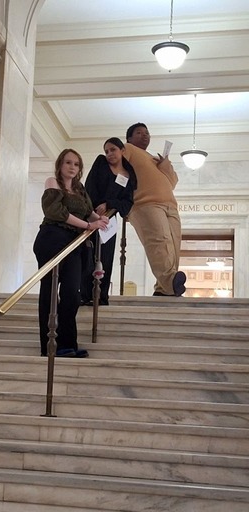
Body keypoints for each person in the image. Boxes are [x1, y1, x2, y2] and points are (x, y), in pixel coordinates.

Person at [33, 149, 108, 358]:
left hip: (74, 242)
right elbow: (55, 212)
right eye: (68, 162)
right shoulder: (52, 182)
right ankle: (48, 345)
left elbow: (89, 211)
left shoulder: (80, 189)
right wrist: (88, 225)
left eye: (76, 163)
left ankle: (67, 344)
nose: (72, 167)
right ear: (60, 164)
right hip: (52, 238)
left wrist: (101, 220)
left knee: (72, 294)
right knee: (49, 293)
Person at [123, 123, 186, 296]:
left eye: (147, 133)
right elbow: (117, 171)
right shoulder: (128, 149)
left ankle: (163, 288)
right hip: (145, 203)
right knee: (159, 240)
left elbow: (172, 182)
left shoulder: (155, 159)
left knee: (173, 245)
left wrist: (165, 165)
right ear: (129, 138)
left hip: (170, 205)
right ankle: (170, 282)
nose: (145, 135)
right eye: (139, 133)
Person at [80, 137, 136, 306]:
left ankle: (101, 297)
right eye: (106, 151)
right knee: (87, 256)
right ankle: (85, 295)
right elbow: (89, 187)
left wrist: (109, 204)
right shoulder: (101, 163)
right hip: (91, 215)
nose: (109, 154)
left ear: (122, 150)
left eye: (113, 149)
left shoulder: (129, 175)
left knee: (106, 258)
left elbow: (127, 203)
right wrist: (94, 210)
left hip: (109, 220)